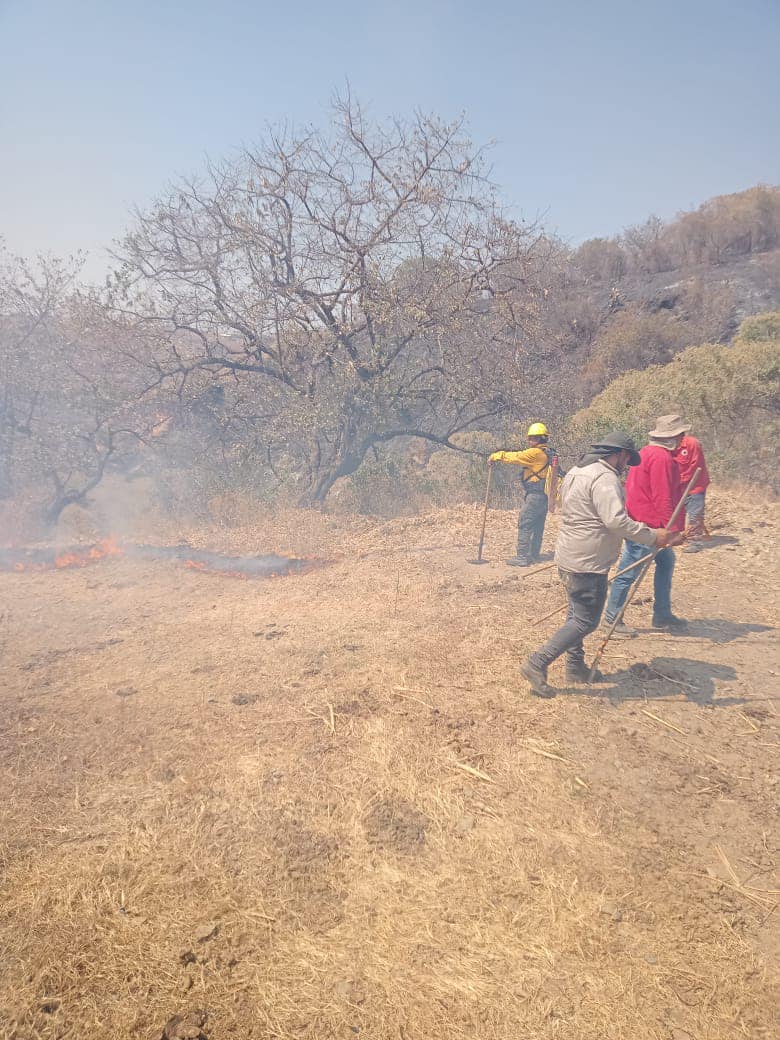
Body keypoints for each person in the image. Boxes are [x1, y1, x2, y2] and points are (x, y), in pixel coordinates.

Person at [520, 432, 682, 697]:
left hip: (569, 554)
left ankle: (575, 668)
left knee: (575, 615)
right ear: (618, 454)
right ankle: (537, 662)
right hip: (588, 561)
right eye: (626, 459)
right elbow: (616, 521)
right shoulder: (604, 478)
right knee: (585, 621)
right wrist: (654, 535)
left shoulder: (577, 471)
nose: (626, 465)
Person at [603, 414, 689, 633]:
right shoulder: (662, 458)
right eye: (680, 435)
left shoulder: (645, 452)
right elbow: (663, 496)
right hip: (649, 526)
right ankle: (611, 619)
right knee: (627, 573)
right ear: (672, 437)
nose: (682, 439)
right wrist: (671, 531)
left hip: (642, 520)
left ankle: (662, 614)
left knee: (666, 562)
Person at [489, 422, 560, 567]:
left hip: (535, 495)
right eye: (530, 438)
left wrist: (496, 456)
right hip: (545, 496)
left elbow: (515, 456)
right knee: (538, 525)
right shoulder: (548, 452)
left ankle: (522, 557)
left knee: (525, 522)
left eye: (533, 438)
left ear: (540, 438)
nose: (530, 441)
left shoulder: (534, 453)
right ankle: (534, 555)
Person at [674, 431, 710, 552]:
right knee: (677, 512)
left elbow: (694, 467)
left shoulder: (692, 444)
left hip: (695, 485)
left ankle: (695, 542)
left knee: (695, 513)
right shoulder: (668, 446)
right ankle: (677, 535)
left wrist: (680, 481)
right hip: (678, 486)